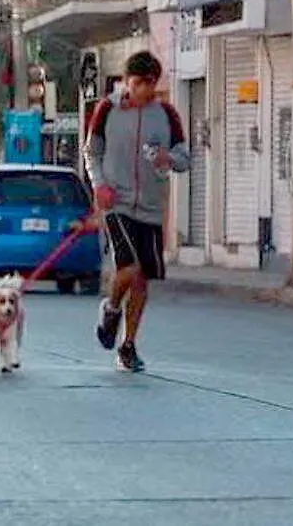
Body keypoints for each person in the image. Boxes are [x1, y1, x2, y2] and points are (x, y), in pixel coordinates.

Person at [84, 51, 190, 373]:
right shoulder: (107, 110)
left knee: (142, 280)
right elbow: (92, 152)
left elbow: (185, 157)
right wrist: (99, 184)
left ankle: (128, 345)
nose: (145, 90)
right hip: (117, 203)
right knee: (128, 268)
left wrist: (167, 159)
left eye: (151, 84)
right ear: (127, 82)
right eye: (139, 83)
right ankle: (112, 307)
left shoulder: (167, 115)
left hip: (151, 209)